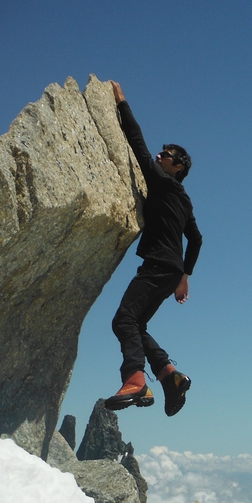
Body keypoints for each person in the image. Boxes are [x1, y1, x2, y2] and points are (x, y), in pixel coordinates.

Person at [104, 80, 202, 417]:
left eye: (168, 155)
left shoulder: (162, 181)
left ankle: (135, 381)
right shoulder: (184, 201)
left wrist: (121, 102)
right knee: (137, 325)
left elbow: (137, 142)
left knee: (123, 320)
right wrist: (185, 276)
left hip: (158, 265)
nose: (160, 156)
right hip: (170, 270)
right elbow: (198, 238)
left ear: (178, 167)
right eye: (162, 153)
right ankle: (169, 376)